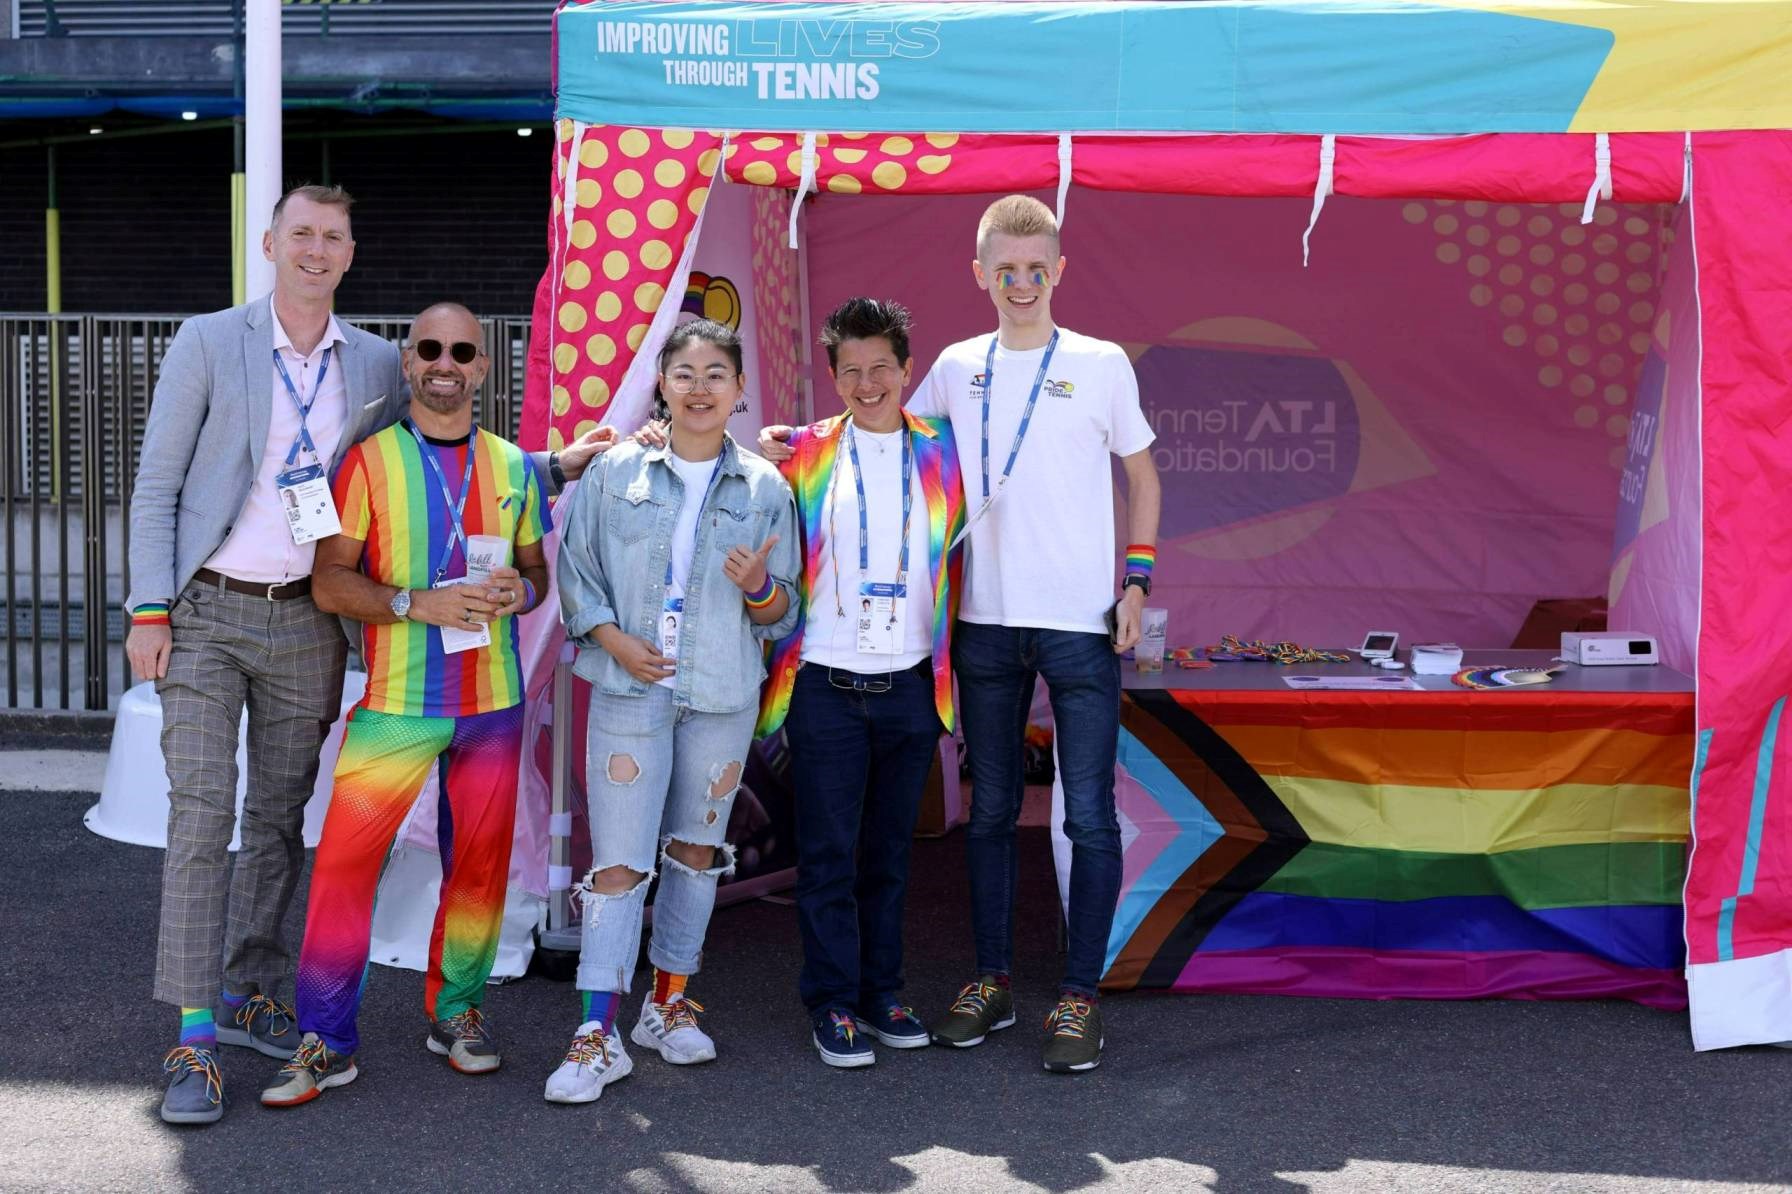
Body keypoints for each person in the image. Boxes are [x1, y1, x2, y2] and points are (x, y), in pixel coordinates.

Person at [126, 184, 606, 1126]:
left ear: (349, 255)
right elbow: (157, 487)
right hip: (214, 610)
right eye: (300, 233)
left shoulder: (378, 362)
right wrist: (149, 610)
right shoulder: (210, 342)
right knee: (202, 817)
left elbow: (472, 464)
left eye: (332, 238)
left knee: (276, 822)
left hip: (321, 630)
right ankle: (199, 1037)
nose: (315, 249)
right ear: (270, 243)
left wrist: (550, 485)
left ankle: (265, 996)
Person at [763, 195, 1161, 1073]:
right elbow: (881, 431)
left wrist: (1137, 579)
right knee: (989, 813)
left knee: (1088, 816)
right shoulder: (951, 365)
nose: (1021, 284)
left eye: (1036, 269)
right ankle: (992, 982)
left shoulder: (1100, 365)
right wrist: (790, 445)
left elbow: (1141, 473)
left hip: (1082, 627)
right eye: (1004, 270)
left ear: (1058, 272)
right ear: (979, 276)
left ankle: (1079, 995)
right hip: (980, 627)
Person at [254, 302, 550, 1105]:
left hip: (491, 703)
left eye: (462, 350)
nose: (444, 362)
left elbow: (536, 577)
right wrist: (416, 604)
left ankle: (457, 1013)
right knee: (345, 872)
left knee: (479, 872)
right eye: (429, 348)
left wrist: (517, 589)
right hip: (395, 703)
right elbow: (330, 581)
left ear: (483, 367)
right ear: (409, 362)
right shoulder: (368, 463)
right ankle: (325, 1039)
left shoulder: (516, 467)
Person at [545, 318, 800, 1105]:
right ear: (662, 382)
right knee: (619, 864)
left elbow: (784, 610)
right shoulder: (616, 472)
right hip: (630, 689)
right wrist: (616, 640)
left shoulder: (766, 487)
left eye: (716, 374)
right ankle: (595, 1031)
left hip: (721, 694)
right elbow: (575, 570)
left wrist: (759, 588)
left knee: (696, 853)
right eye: (684, 372)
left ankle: (668, 1003)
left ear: (738, 391)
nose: (699, 387)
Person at [755, 297, 965, 1067]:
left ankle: (884, 993)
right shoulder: (803, 451)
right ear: (833, 376)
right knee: (829, 856)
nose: (869, 383)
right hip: (826, 685)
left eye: (883, 368)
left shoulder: (946, 450)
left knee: (889, 855)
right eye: (852, 371)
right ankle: (833, 1002)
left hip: (911, 682)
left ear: (909, 371)